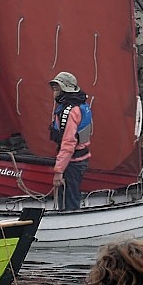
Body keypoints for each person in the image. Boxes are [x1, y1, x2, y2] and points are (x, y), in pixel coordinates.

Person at [48, 71, 92, 211]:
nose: (54, 92)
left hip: (72, 163)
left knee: (69, 201)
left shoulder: (69, 111)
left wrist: (58, 171)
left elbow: (68, 143)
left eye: (57, 89)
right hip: (80, 159)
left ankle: (70, 225)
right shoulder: (81, 106)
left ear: (64, 89)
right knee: (70, 196)